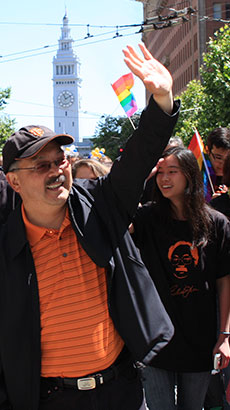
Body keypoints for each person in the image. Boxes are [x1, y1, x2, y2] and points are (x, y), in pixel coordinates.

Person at [0, 43, 180, 410]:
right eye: (41, 166)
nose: (57, 171)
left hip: (121, 391)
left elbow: (139, 157)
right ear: (14, 182)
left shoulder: (100, 205)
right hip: (50, 398)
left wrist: (161, 100)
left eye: (60, 159)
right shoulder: (6, 240)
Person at [131, 146, 230, 410]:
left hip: (200, 338)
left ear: (189, 174)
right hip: (156, 340)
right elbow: (117, 218)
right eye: (160, 172)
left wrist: (224, 336)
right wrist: (141, 172)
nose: (164, 179)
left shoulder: (216, 223)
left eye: (172, 172)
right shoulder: (145, 219)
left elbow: (224, 281)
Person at [205, 127, 230, 200]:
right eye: (218, 158)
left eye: (228, 159)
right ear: (208, 151)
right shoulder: (199, 176)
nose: (223, 164)